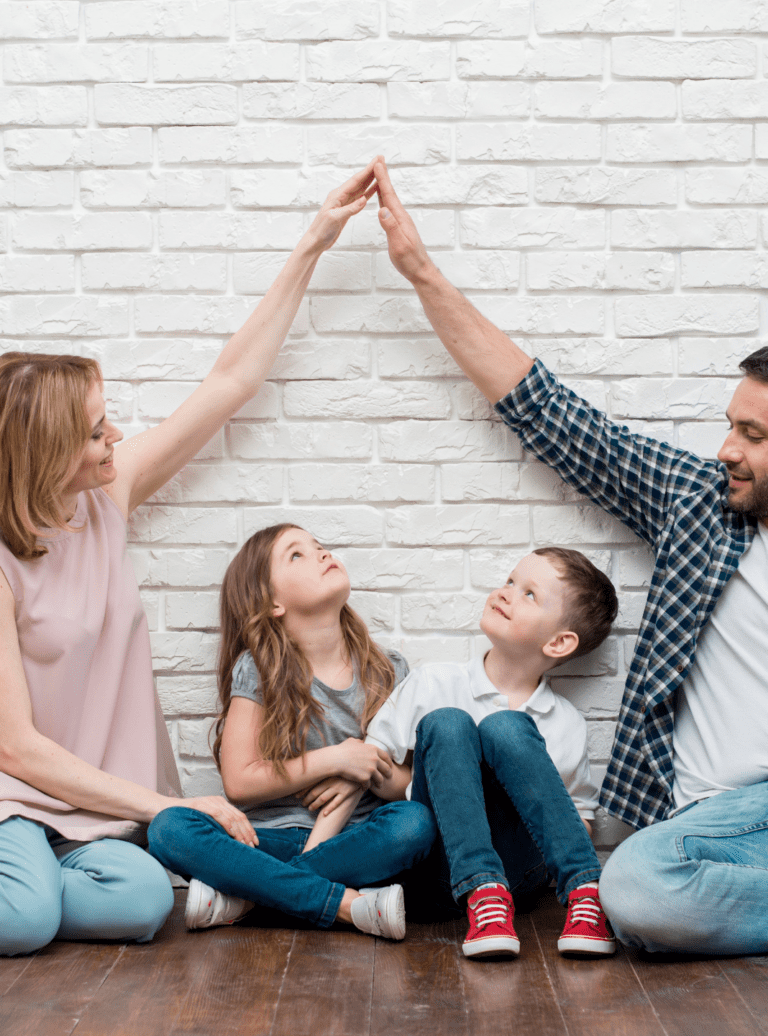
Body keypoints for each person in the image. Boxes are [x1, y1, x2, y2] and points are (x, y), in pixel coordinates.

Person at [373, 154, 768, 957]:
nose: (725, 448)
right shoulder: (700, 504)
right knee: (636, 891)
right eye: (732, 424)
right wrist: (420, 274)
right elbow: (550, 414)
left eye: (753, 435)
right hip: (697, 824)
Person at [0, 162, 379, 957]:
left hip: (95, 808)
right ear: (41, 453)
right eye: (98, 430)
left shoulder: (103, 500)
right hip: (15, 795)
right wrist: (169, 804)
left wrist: (315, 241)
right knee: (26, 920)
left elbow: (230, 381)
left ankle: (36, 878)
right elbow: (17, 749)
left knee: (142, 906)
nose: (116, 438)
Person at [147, 523, 436, 940]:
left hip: (354, 844)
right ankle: (345, 905)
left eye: (319, 546)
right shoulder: (258, 668)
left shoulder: (389, 670)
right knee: (168, 827)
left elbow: (408, 786)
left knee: (414, 823)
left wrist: (371, 766)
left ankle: (249, 900)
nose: (322, 553)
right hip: (269, 841)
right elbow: (240, 783)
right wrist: (336, 757)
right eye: (297, 555)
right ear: (272, 603)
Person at [360, 548, 617, 959]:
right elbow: (372, 760)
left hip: (519, 872)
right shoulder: (434, 682)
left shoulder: (566, 722)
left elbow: (580, 819)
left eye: (530, 594)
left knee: (506, 727)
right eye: (511, 581)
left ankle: (585, 894)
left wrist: (524, 799)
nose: (507, 592)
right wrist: (445, 785)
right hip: (438, 870)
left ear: (559, 642)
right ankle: (482, 891)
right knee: (448, 723)